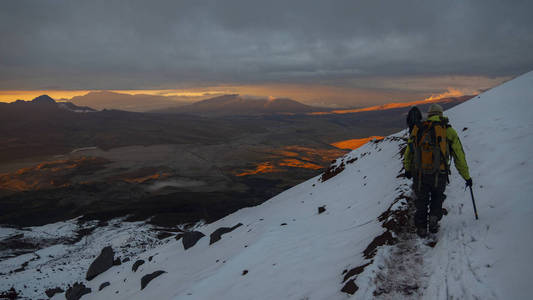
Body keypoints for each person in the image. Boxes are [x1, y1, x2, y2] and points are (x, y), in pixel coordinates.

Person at [403, 104, 472, 237]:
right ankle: (434, 218)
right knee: (437, 197)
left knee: (421, 200)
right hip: (439, 174)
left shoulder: (418, 129)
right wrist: (466, 176)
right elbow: (459, 156)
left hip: (419, 174)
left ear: (429, 115)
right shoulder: (448, 131)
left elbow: (409, 151)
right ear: (440, 114)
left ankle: (422, 228)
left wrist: (407, 168)